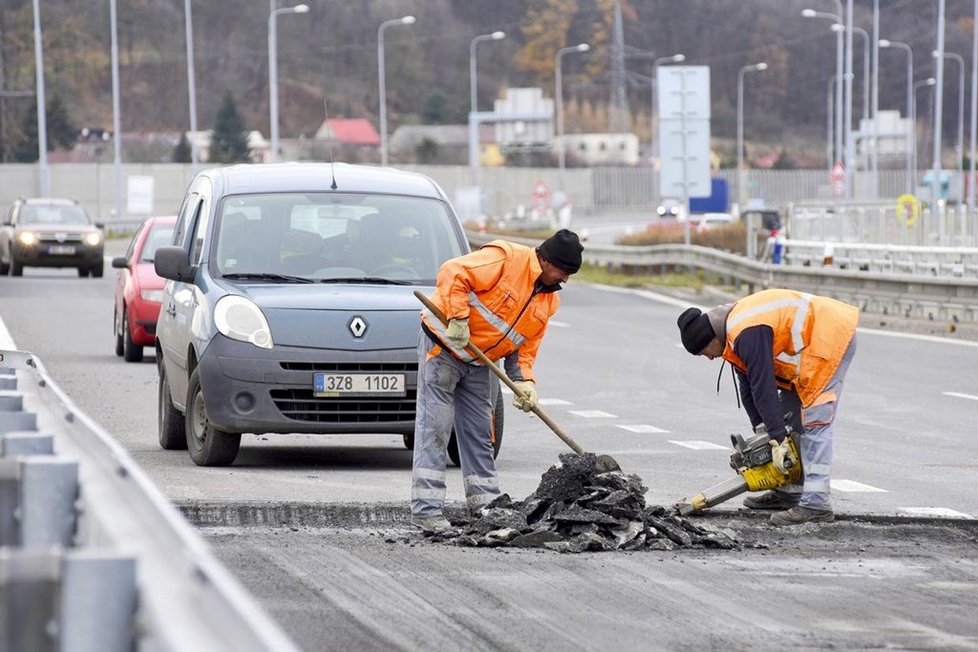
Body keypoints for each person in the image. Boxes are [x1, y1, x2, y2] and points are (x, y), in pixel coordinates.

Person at [411, 229, 584, 533]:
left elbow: (524, 345)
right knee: (435, 428)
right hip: (444, 347)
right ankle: (427, 510)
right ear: (545, 261)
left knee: (480, 432)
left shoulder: (548, 301)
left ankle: (485, 505)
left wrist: (524, 381)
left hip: (479, 360)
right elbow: (453, 272)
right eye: (564, 271)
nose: (566, 280)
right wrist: (459, 318)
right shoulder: (505, 259)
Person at [676, 288, 858, 526]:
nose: (709, 358)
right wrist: (764, 431)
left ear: (711, 340)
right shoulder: (731, 331)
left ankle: (816, 504)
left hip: (829, 338)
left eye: (704, 353)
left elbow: (763, 386)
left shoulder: (746, 331)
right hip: (810, 346)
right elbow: (748, 385)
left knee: (815, 419)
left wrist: (778, 439)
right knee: (789, 417)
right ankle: (790, 492)